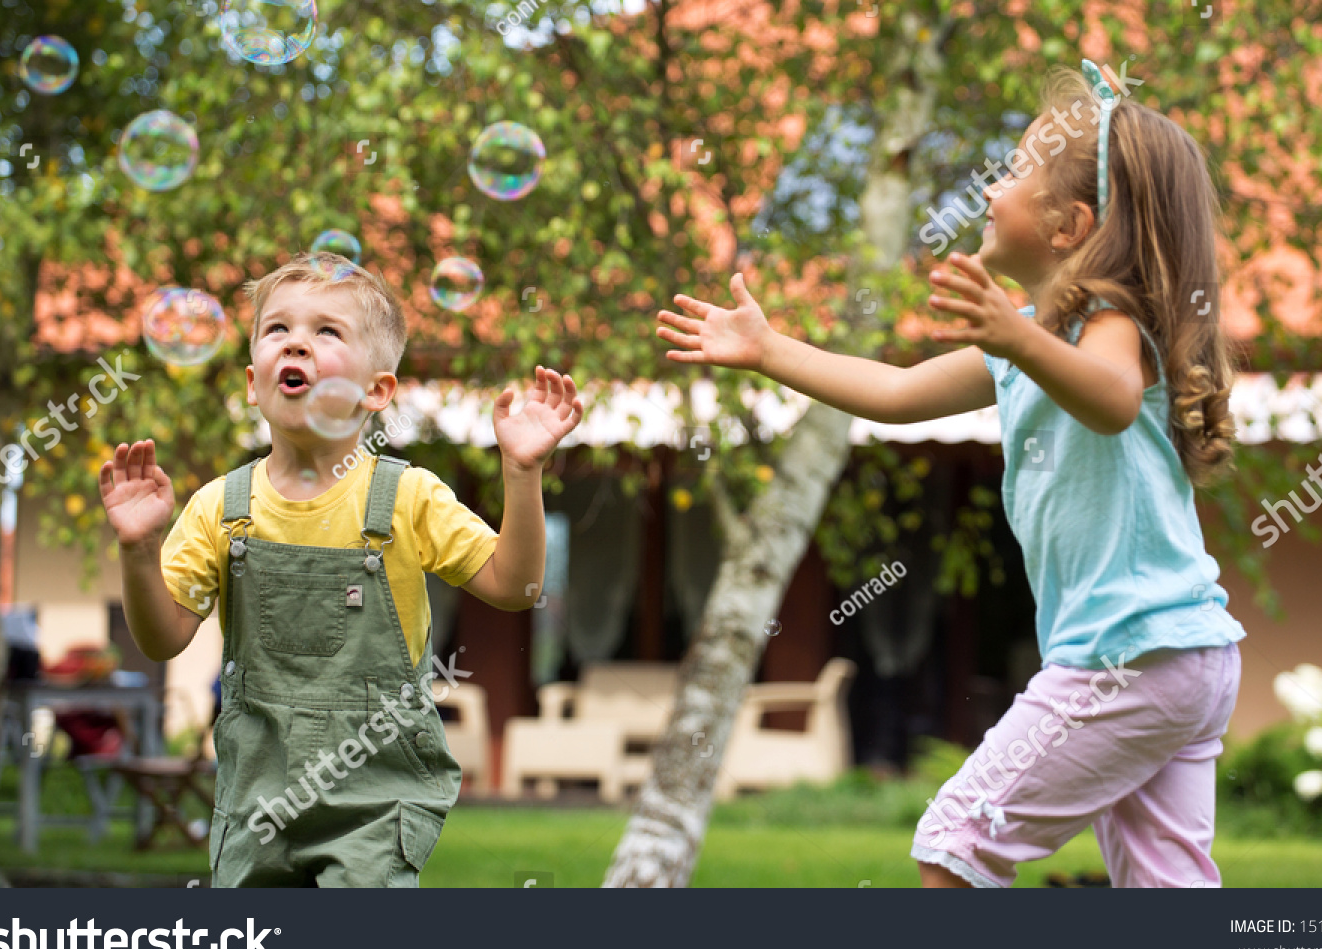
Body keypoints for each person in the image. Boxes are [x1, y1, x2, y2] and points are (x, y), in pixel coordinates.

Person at [655, 62, 1245, 888]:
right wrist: (769, 351)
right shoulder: (1027, 347)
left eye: (1009, 173)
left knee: (957, 840)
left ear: (1070, 224)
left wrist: (1018, 340)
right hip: (1178, 658)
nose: (991, 188)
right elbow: (894, 394)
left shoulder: (1110, 324)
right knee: (1164, 887)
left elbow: (1112, 402)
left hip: (1134, 651)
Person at [98, 253, 582, 887]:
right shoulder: (220, 507)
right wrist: (138, 549)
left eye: (327, 332)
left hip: (375, 806)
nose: (297, 341)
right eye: (278, 330)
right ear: (253, 381)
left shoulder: (408, 497)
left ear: (377, 391)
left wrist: (522, 474)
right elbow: (162, 640)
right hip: (257, 804)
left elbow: (518, 589)